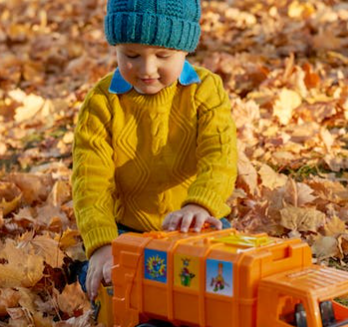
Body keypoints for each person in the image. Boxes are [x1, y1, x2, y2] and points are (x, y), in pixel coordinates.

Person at [71, 0, 238, 301]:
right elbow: (90, 181)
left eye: (163, 55)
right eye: (131, 54)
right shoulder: (102, 102)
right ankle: (86, 270)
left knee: (225, 282)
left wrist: (199, 206)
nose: (147, 69)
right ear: (116, 47)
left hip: (193, 226)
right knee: (117, 286)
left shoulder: (205, 90)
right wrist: (102, 244)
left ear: (185, 49)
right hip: (128, 231)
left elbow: (219, 156)